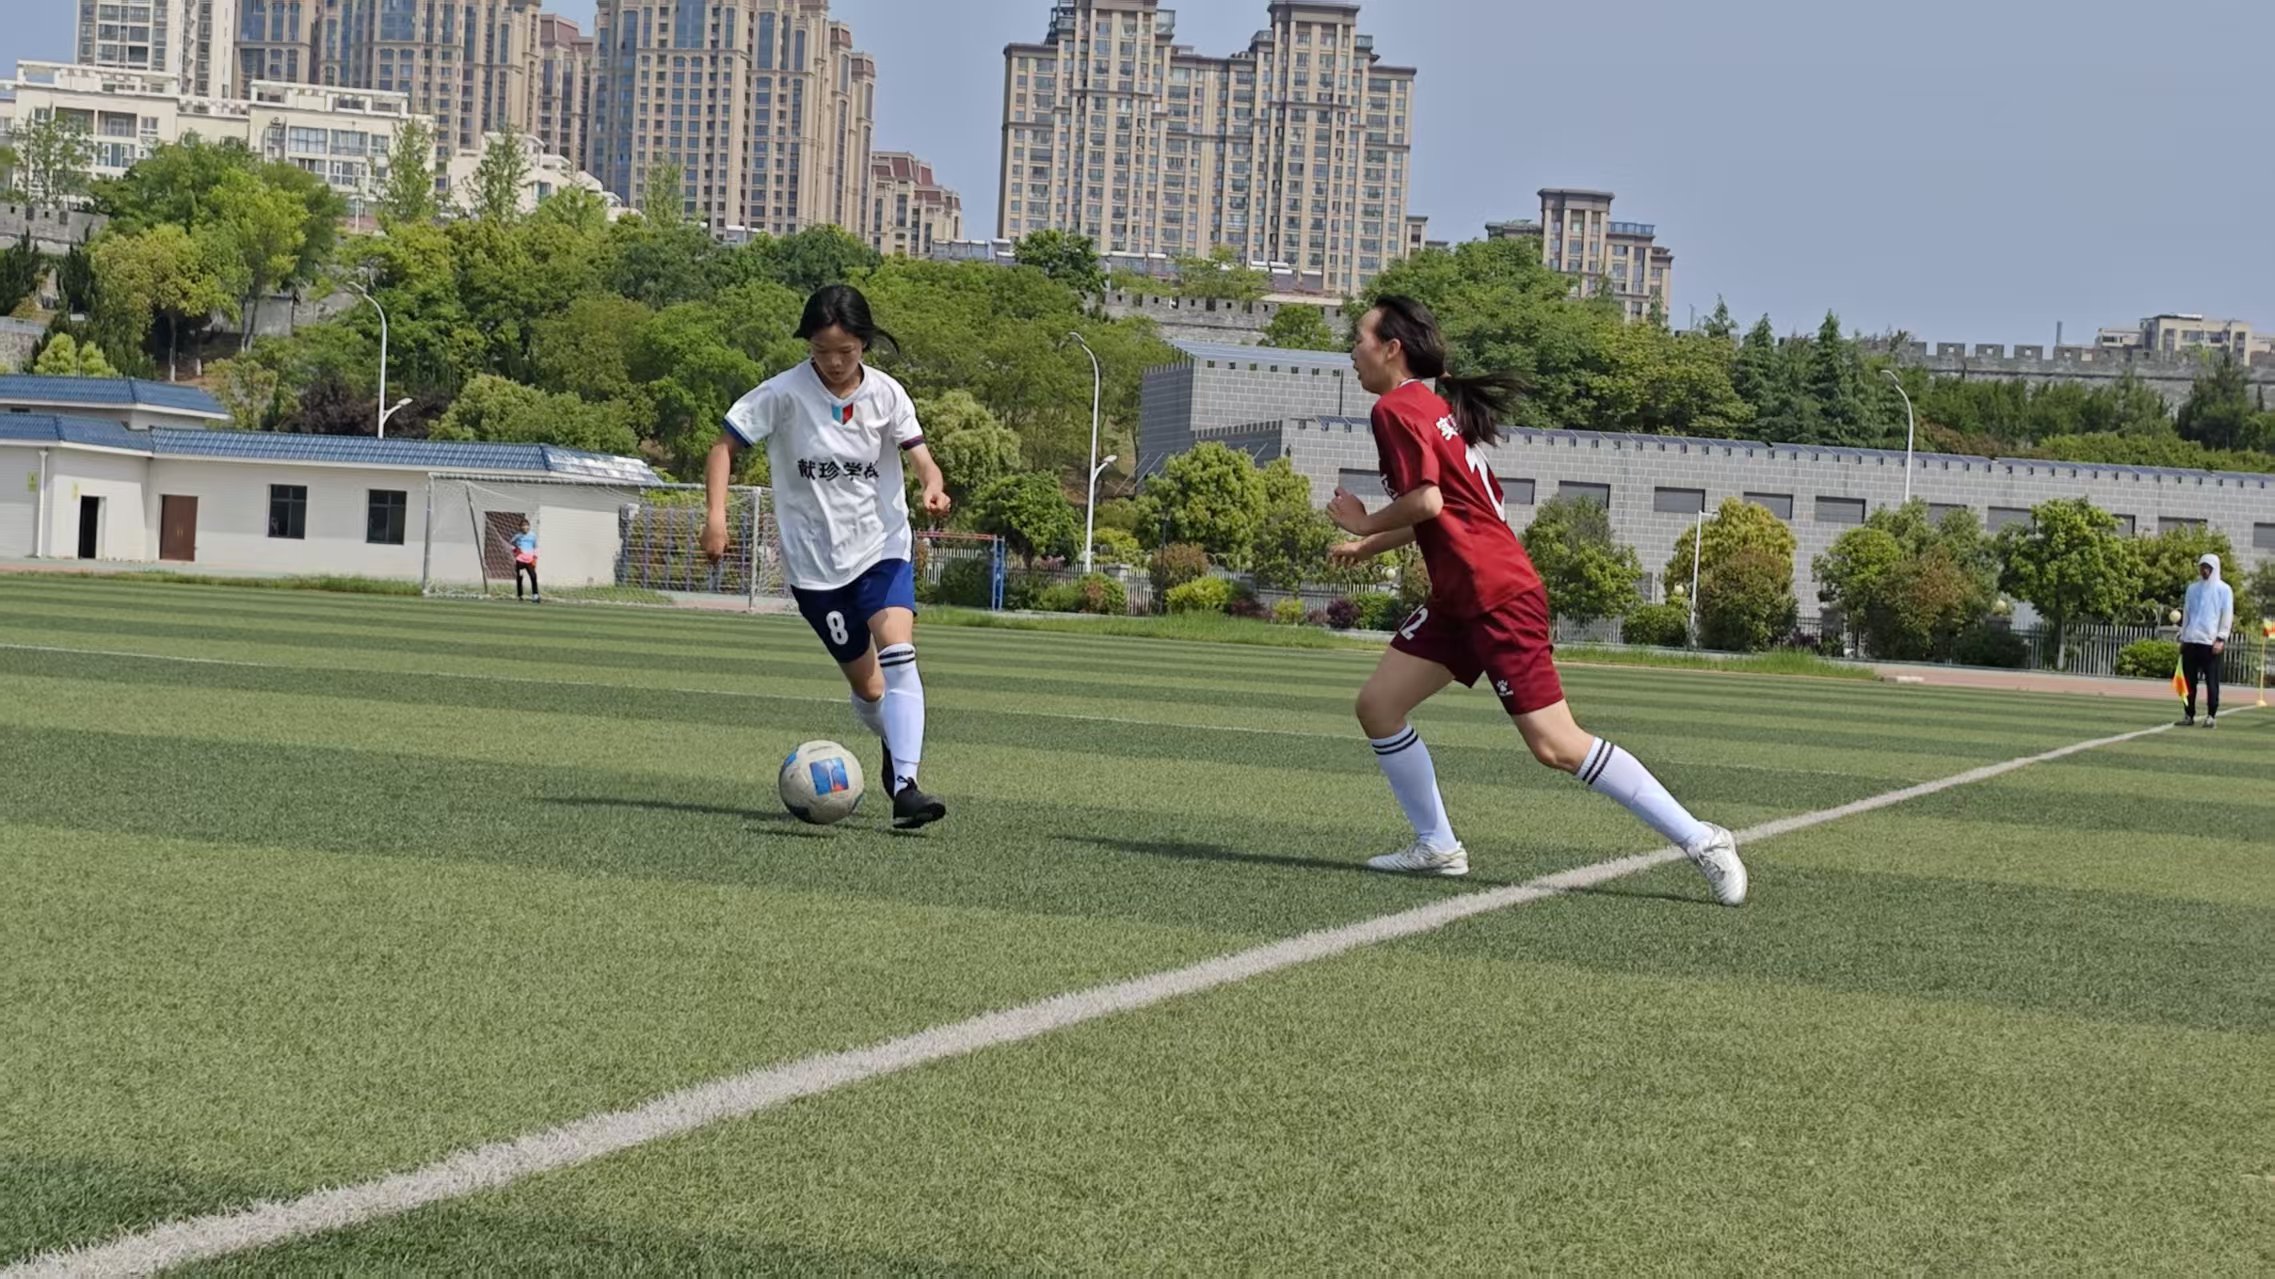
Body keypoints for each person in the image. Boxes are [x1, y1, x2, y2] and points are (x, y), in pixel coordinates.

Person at [1326, 295, 1747, 904]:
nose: (1353, 350)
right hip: (1462, 595)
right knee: (1378, 706)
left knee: (1556, 744)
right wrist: (1369, 548)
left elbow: (1428, 501)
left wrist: (1365, 523)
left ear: (1392, 349)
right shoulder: (1433, 408)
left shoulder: (1394, 409)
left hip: (1496, 595)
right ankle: (1437, 845)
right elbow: (1452, 510)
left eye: (1360, 338)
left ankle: (1703, 839)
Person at [703, 284, 952, 829]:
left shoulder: (887, 394)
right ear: (808, 344)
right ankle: (894, 741)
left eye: (847, 350)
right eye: (822, 351)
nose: (835, 362)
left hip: (882, 547)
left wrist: (932, 484)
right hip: (815, 567)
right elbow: (723, 447)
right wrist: (716, 516)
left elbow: (921, 458)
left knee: (899, 653)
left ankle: (905, 787)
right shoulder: (782, 394)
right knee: (870, 689)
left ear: (865, 343)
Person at [2176, 552, 2234, 728]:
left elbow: (2227, 614)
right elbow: (2187, 613)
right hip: (2191, 640)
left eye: (2208, 567)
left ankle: (2211, 716)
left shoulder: (2224, 589)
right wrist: (2183, 636)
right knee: (2188, 682)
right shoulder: (2192, 589)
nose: (2204, 571)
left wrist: (2221, 638)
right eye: (2202, 567)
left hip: (2210, 642)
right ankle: (2188, 714)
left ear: (2215, 569)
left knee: (2212, 682)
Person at [509, 517, 540, 602]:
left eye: (526, 525)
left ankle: (535, 595)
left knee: (533, 576)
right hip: (520, 561)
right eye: (523, 526)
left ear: (529, 526)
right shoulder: (518, 536)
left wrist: (535, 557)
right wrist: (515, 551)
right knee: (520, 577)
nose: (525, 527)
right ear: (520, 527)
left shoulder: (533, 536)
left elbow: (536, 547)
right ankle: (520, 595)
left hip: (529, 561)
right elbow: (511, 544)